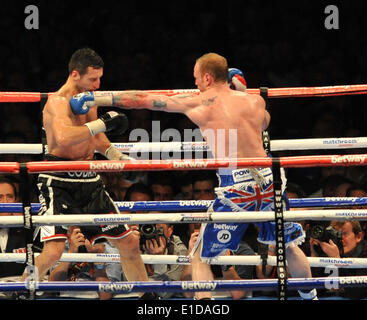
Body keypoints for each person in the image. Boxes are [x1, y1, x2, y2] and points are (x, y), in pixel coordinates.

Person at [70, 52, 316, 300]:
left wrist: (95, 98)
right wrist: (243, 89)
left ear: (208, 77)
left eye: (197, 77)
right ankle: (312, 297)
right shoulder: (253, 101)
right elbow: (264, 123)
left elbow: (141, 99)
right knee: (288, 246)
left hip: (238, 186)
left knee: (199, 255)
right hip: (269, 180)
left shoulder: (200, 101)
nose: (195, 83)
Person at [21, 47, 153, 299]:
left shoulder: (88, 98)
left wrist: (119, 158)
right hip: (58, 179)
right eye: (93, 79)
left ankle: (148, 296)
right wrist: (102, 122)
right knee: (53, 251)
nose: (98, 84)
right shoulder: (57, 102)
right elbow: (64, 137)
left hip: (89, 180)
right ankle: (20, 290)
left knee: (129, 242)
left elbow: (97, 139)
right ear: (75, 74)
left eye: (99, 78)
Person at [102, 182, 187, 299]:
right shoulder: (123, 240)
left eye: (144, 212)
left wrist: (159, 260)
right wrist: (129, 247)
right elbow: (127, 286)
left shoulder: (175, 246)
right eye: (134, 212)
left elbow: (166, 294)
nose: (139, 217)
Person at [310, 220, 367, 299]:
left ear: (358, 236)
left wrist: (336, 260)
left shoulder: (365, 254)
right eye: (335, 234)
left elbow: (357, 293)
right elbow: (313, 292)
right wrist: (315, 256)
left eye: (344, 234)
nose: (340, 239)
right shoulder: (328, 249)